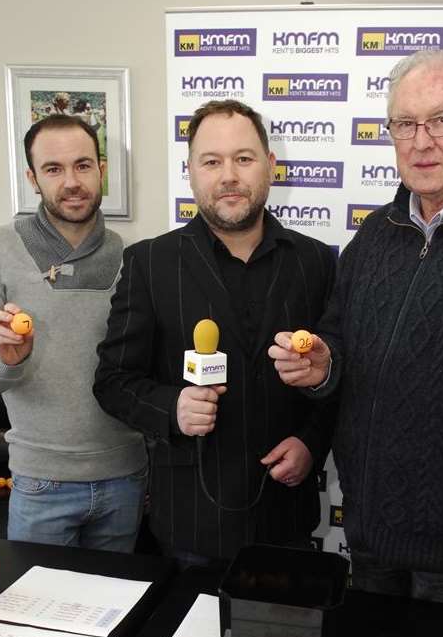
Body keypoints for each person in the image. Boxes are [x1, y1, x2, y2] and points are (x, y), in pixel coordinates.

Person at [269, 50, 443, 611]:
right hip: (372, 544)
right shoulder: (374, 239)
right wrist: (322, 367)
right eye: (405, 123)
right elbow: (340, 354)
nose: (421, 140)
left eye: (442, 120)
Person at [94, 100, 336, 563]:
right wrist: (172, 408)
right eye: (212, 161)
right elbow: (113, 382)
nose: (229, 175)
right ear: (191, 172)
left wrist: (312, 441)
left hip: (284, 516)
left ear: (270, 166)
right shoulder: (149, 263)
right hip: (189, 523)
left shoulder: (316, 261)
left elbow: (337, 374)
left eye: (244, 159)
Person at [0, 115, 147, 550]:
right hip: (39, 483)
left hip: (126, 478)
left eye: (83, 165)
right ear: (32, 178)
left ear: (101, 170)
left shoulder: (137, 258)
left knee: (117, 614)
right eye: (53, 169)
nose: (71, 181)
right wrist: (6, 361)